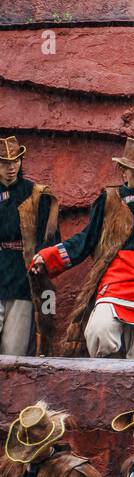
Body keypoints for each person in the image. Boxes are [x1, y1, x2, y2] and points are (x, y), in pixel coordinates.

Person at [30, 137, 134, 360]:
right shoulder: (108, 199)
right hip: (114, 284)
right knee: (100, 330)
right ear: (122, 170)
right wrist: (48, 258)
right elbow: (86, 239)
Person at [0, 136, 60, 356]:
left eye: (15, 160)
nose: (11, 167)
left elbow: (51, 239)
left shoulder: (36, 195)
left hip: (22, 280)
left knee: (12, 352)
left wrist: (41, 261)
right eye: (4, 162)